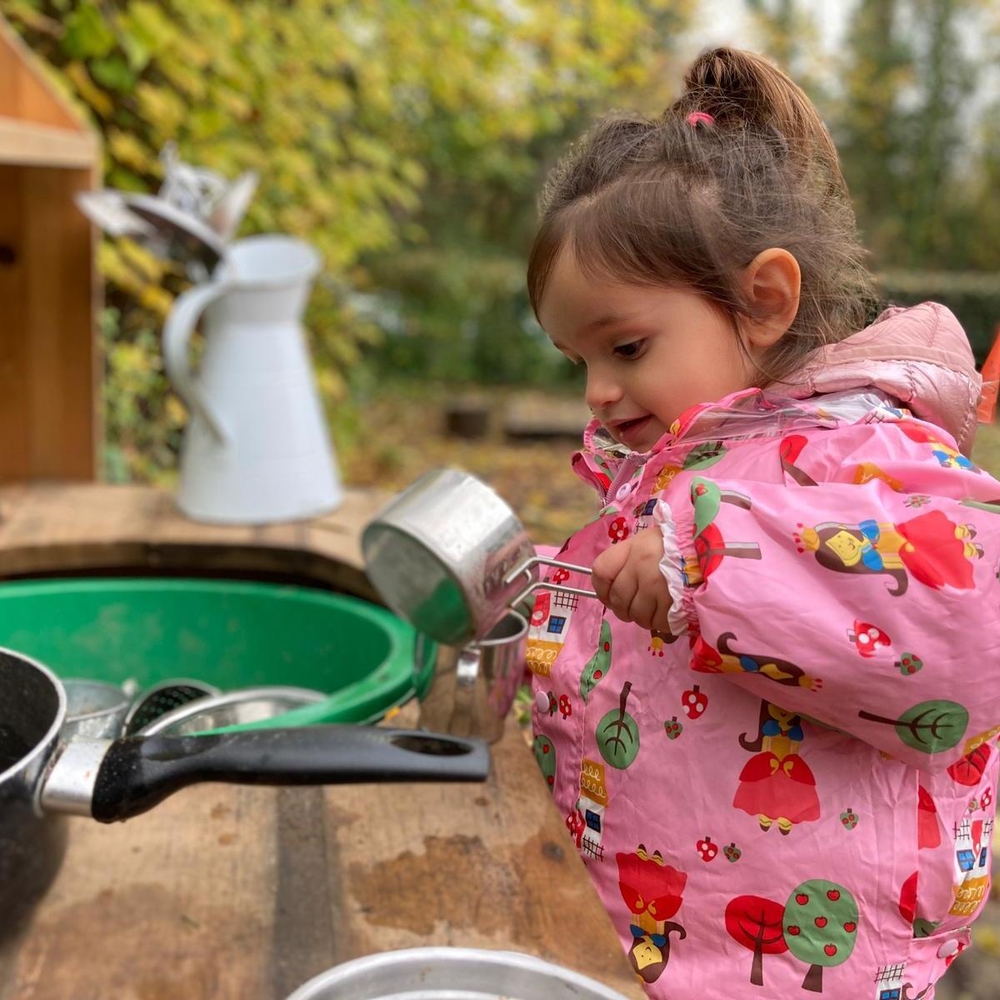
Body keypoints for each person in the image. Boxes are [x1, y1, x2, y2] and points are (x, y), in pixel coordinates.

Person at [524, 45, 1000, 999]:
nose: (599, 390)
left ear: (764, 301)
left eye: (624, 346)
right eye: (578, 358)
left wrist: (707, 567)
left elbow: (969, 629)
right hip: (660, 941)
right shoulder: (692, 459)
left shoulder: (862, 449)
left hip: (806, 967)